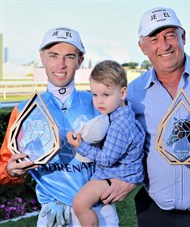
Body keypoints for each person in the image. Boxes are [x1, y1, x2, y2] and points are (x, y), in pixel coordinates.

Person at [0, 27, 135, 227]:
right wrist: (12, 171)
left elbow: (132, 150)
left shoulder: (101, 103)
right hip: (52, 214)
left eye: (69, 56)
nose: (61, 64)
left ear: (80, 60)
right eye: (53, 55)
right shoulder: (23, 111)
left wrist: (127, 180)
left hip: (99, 212)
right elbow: (5, 166)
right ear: (42, 57)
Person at [127, 6, 190, 227]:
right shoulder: (134, 92)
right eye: (154, 39)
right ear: (142, 47)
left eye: (170, 35)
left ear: (183, 37)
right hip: (153, 213)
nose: (164, 45)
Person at [66, 60, 145, 227]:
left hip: (116, 174)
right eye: (94, 94)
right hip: (119, 172)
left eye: (105, 95)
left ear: (123, 93)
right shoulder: (121, 114)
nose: (99, 101)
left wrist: (80, 145)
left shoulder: (119, 126)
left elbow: (106, 159)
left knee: (79, 204)